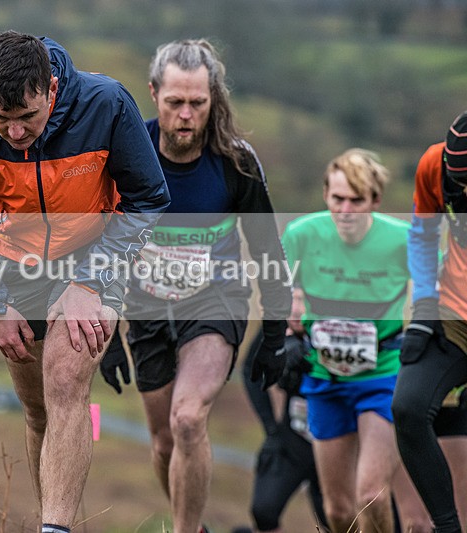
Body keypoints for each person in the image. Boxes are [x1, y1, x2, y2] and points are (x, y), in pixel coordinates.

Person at [0, 30, 170, 533]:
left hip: (94, 251)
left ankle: (54, 530)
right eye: (1, 118)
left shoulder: (105, 105)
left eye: (27, 117)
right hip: (12, 260)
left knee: (64, 382)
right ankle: (56, 519)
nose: (14, 132)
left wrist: (90, 281)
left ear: (52, 89)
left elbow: (148, 198)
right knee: (38, 408)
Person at [99, 39, 291, 533]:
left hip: (215, 301)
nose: (186, 115)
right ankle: (198, 527)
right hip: (147, 310)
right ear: (154, 93)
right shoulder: (127, 155)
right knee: (165, 442)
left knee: (188, 420)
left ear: (212, 99)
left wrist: (274, 336)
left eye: (197, 103)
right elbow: (100, 245)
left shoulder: (235, 162)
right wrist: (106, 337)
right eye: (175, 102)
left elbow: (268, 252)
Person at [281, 148, 418, 533]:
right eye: (337, 199)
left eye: (356, 201)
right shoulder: (301, 234)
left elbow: (442, 289)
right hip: (324, 380)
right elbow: (279, 295)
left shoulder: (403, 240)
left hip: (382, 378)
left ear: (375, 200)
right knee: (339, 511)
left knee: (371, 494)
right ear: (325, 195)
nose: (345, 210)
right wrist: (287, 334)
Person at [392, 110, 467, 533]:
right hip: (453, 315)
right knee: (408, 408)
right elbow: (422, 235)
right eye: (461, 184)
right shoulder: (434, 166)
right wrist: (422, 306)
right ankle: (447, 527)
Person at [240, 290, 328, 533]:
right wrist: (271, 428)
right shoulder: (278, 327)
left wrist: (311, 354)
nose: (296, 310)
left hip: (334, 440)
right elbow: (250, 370)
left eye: (304, 300)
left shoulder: (335, 326)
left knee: (337, 516)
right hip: (293, 437)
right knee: (263, 510)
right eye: (292, 300)